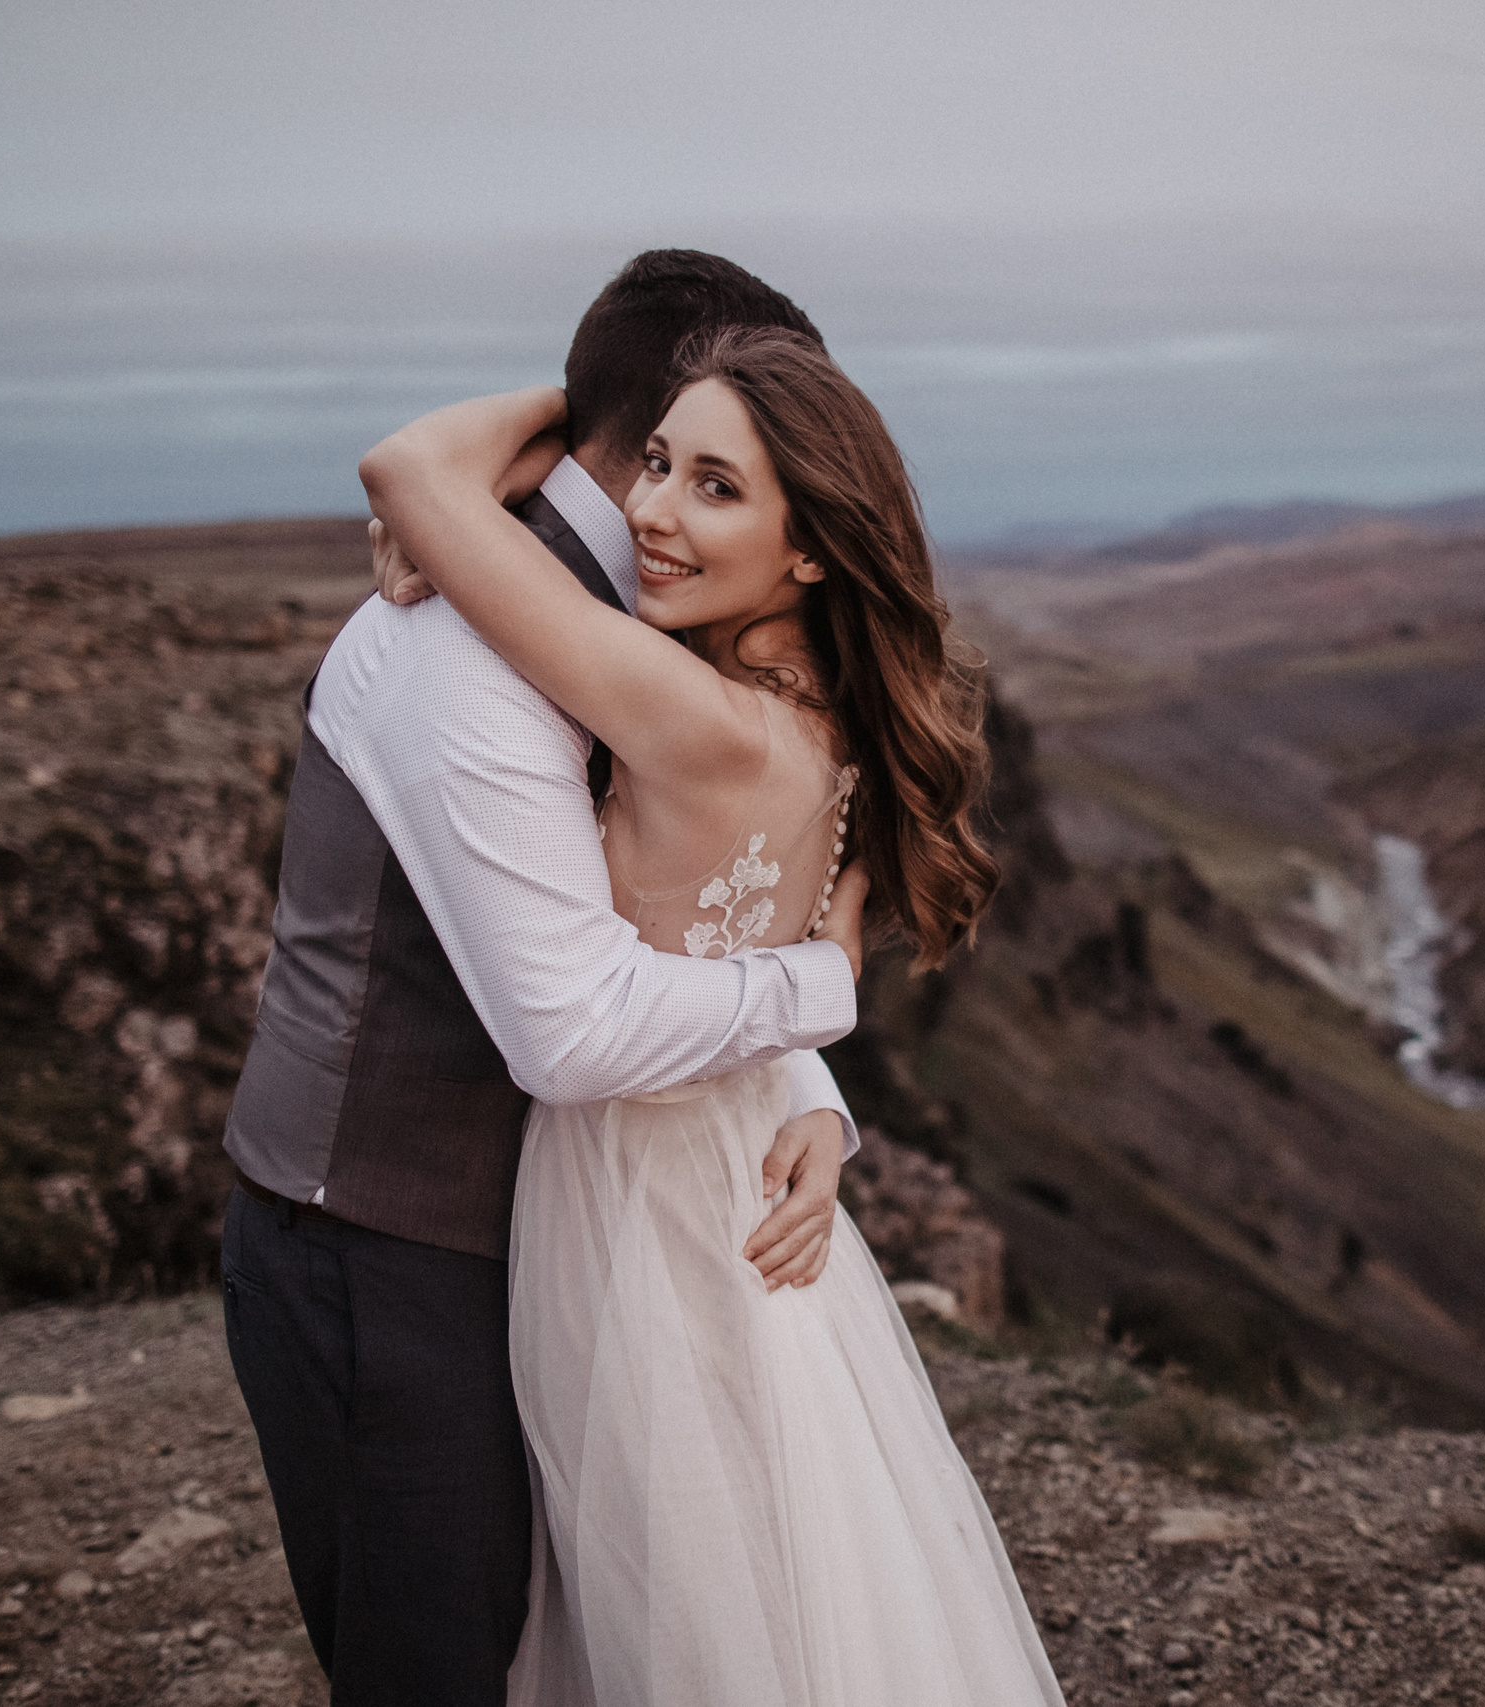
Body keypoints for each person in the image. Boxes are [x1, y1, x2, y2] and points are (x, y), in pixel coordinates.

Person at [362, 326, 1066, 1704]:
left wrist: (497, 481)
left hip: (634, 1194)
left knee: (688, 1600)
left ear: (811, 547)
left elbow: (404, 465)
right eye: (661, 461)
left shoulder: (691, 713)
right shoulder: (824, 719)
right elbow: (770, 960)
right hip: (744, 1163)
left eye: (716, 488)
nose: (653, 512)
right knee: (789, 1565)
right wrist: (818, 1085)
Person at [219, 253, 872, 1707]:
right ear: (642, 429)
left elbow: (669, 920)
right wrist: (820, 995)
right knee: (439, 1670)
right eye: (676, 456)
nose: (684, 507)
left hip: (556, 1243)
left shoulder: (618, 621)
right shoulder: (470, 648)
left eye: (730, 478)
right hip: (379, 1255)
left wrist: (813, 1102)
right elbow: (575, 1026)